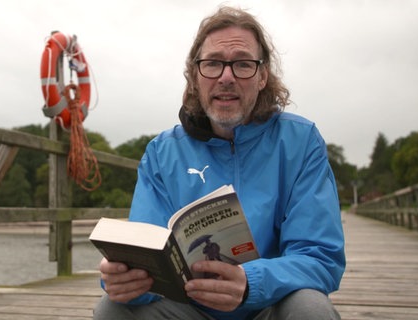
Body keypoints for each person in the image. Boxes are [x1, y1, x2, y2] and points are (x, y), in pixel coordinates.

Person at [93, 5, 345, 320]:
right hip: (190, 310)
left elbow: (320, 258)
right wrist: (119, 278)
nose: (226, 77)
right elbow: (145, 251)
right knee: (113, 308)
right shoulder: (161, 152)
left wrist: (252, 283)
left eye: (242, 64)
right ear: (195, 75)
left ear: (263, 75)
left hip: (269, 305)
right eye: (212, 64)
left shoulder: (301, 141)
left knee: (311, 308)